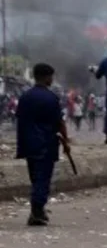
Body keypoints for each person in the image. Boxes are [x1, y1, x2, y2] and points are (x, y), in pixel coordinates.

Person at [15, 63, 70, 226]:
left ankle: (37, 210)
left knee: (35, 177)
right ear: (47, 77)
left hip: (28, 143)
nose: (52, 80)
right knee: (43, 178)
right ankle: (37, 210)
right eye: (51, 76)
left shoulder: (25, 97)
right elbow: (60, 122)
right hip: (46, 144)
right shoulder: (51, 98)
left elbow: (20, 120)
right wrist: (66, 142)